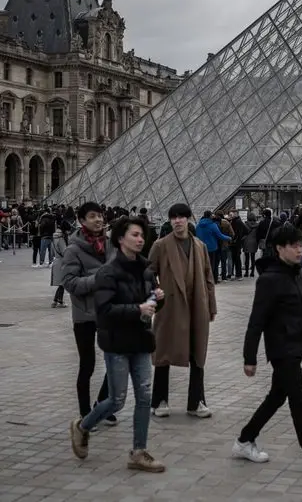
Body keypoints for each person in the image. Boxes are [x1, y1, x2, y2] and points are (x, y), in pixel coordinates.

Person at [235, 224, 302, 479]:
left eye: (301, 245)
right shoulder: (269, 280)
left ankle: (244, 440)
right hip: (282, 349)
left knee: (276, 397)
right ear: (279, 248)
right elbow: (256, 321)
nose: (299, 250)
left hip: (296, 347)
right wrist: (249, 359)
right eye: (294, 245)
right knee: (299, 401)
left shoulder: (300, 274)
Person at [69, 216, 166, 472]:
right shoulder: (107, 272)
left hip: (142, 340)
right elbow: (104, 310)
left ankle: (139, 451)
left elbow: (151, 303)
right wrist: (137, 309)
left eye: (142, 235)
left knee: (145, 397)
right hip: (117, 342)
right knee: (117, 399)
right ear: (120, 239)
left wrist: (158, 298)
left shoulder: (146, 269)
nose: (140, 239)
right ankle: (83, 426)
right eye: (135, 235)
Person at [148, 203, 217, 419]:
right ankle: (159, 400)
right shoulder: (160, 246)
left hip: (197, 305)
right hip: (170, 307)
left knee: (198, 353)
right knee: (163, 353)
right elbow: (148, 274)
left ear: (188, 219)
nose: (177, 221)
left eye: (181, 217)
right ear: (170, 221)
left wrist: (212, 305)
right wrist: (154, 297)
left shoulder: (200, 246)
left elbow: (209, 278)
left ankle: (197, 401)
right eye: (173, 217)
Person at [60, 202, 115, 427]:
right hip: (84, 314)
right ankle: (85, 414)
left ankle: (101, 405)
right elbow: (69, 282)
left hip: (108, 311)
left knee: (114, 361)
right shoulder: (73, 249)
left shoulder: (112, 245)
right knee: (87, 365)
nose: (98, 220)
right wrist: (97, 279)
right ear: (82, 221)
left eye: (100, 215)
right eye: (92, 216)